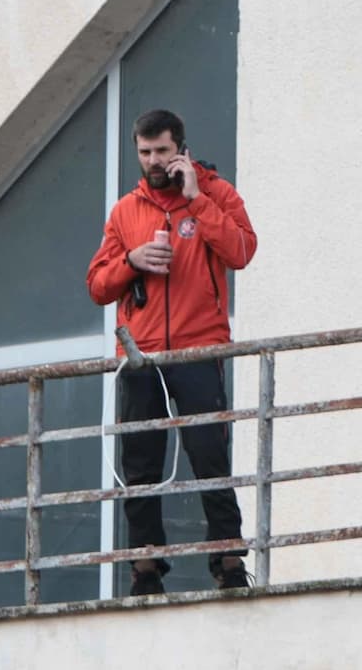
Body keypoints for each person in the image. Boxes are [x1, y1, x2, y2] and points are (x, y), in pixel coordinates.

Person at [85, 109, 259, 596]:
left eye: (162, 151)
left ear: (180, 148)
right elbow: (97, 285)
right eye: (144, 152)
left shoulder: (216, 194)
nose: (153, 161)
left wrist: (197, 202)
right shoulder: (125, 211)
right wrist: (131, 262)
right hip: (139, 355)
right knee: (140, 462)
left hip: (199, 347)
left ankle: (227, 560)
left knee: (209, 455)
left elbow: (242, 251)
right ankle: (145, 569)